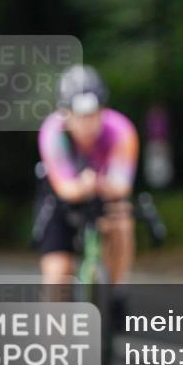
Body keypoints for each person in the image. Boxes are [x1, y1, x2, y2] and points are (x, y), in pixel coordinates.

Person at [36, 65, 139, 295]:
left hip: (103, 191)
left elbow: (122, 185)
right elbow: (65, 188)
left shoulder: (121, 129)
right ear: (65, 114)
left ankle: (115, 291)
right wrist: (84, 184)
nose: (87, 124)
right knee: (57, 274)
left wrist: (100, 185)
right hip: (60, 197)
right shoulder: (53, 132)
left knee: (122, 220)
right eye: (80, 116)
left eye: (93, 115)